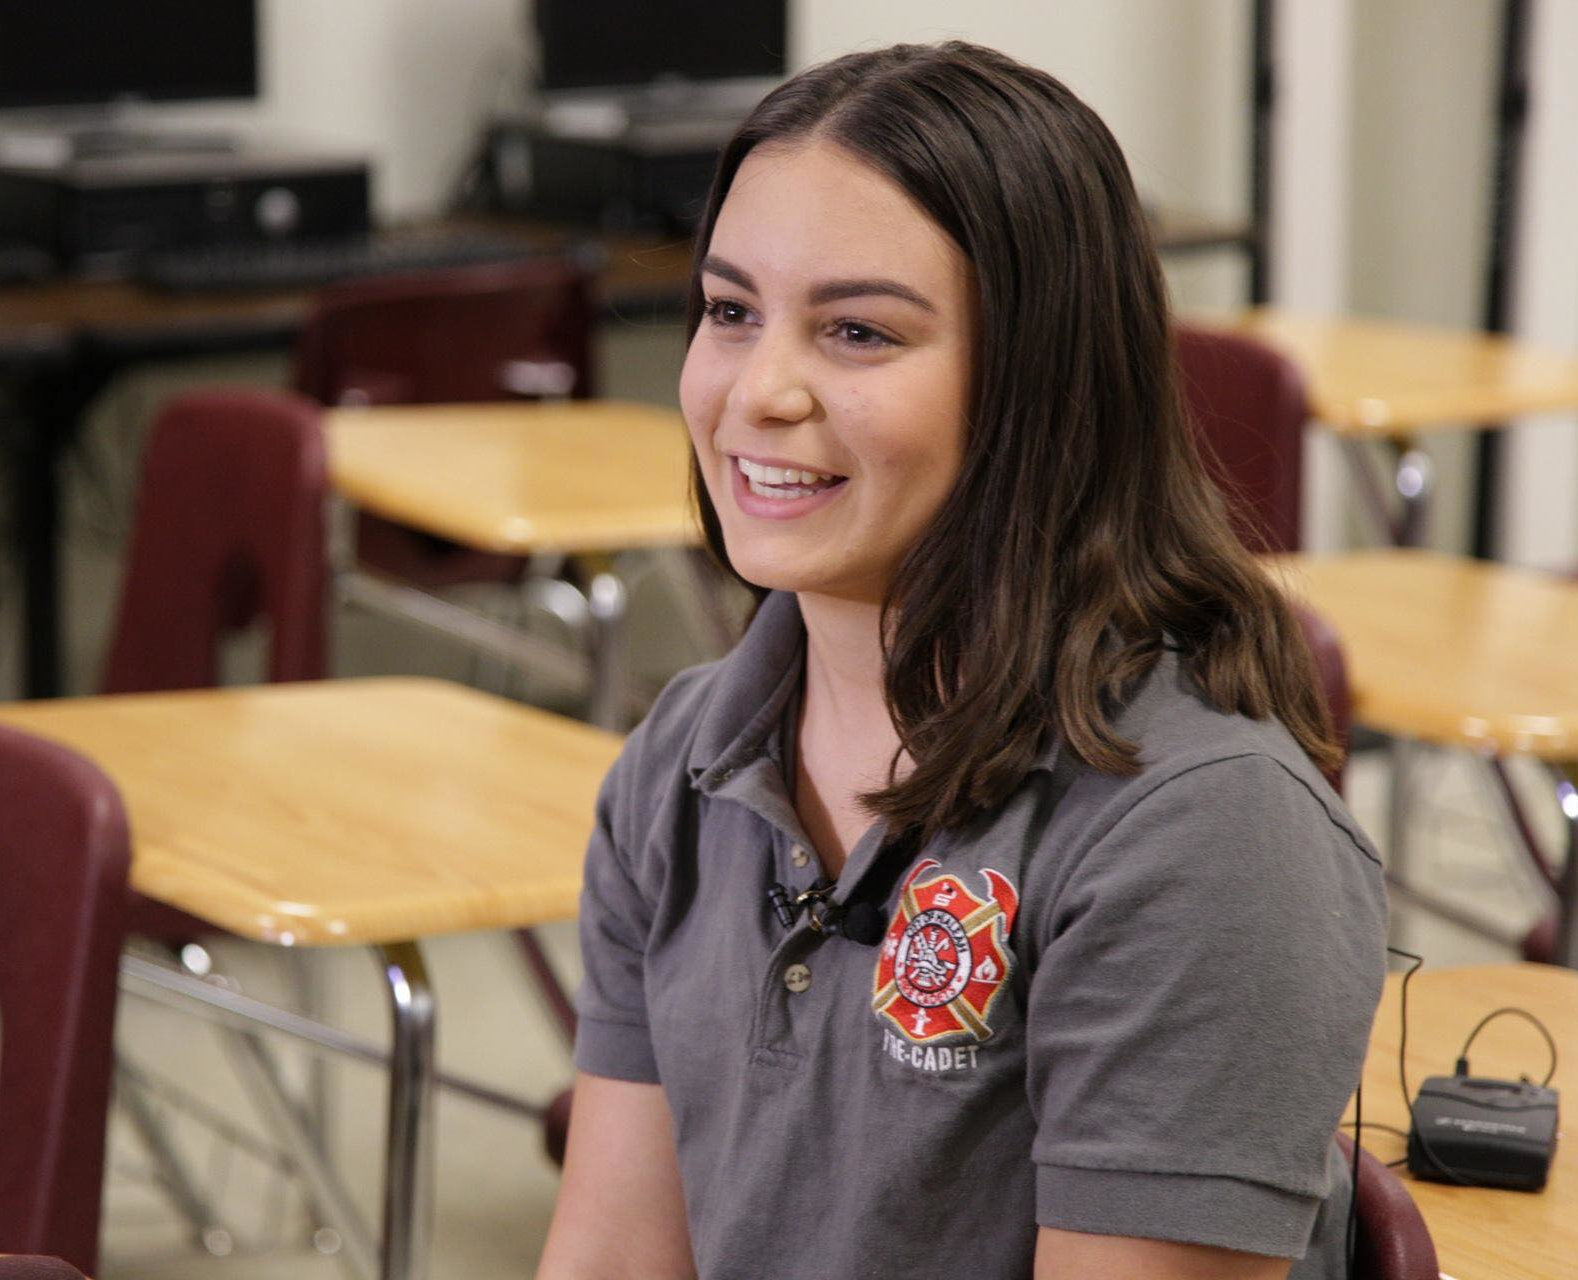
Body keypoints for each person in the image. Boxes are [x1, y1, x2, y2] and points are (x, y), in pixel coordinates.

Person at [538, 41, 1386, 1280]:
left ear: (1038, 381)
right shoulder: (681, 758)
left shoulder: (1203, 829)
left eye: (859, 331)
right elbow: (615, 1257)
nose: (758, 391)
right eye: (730, 312)